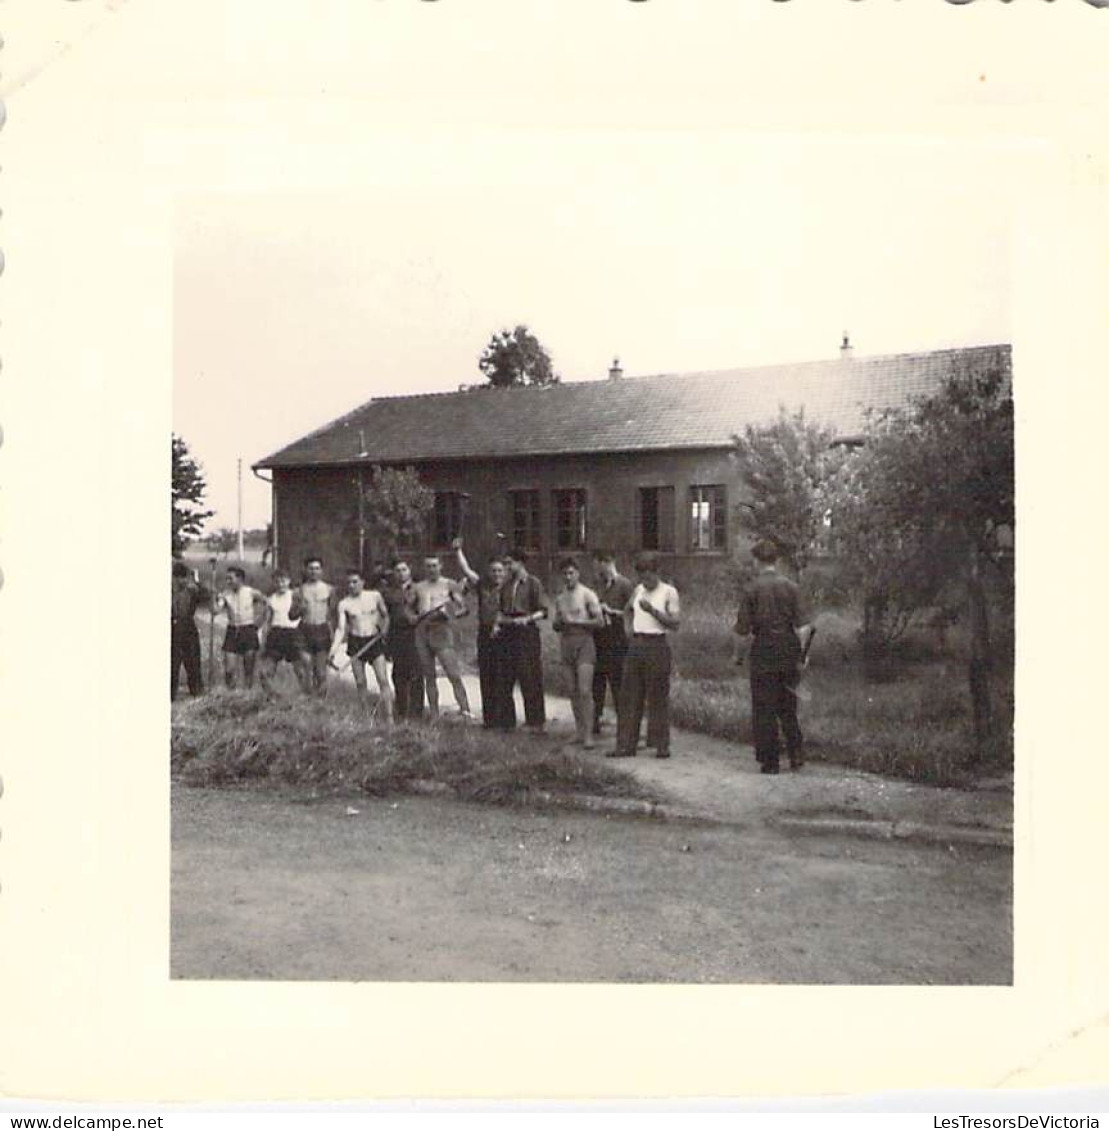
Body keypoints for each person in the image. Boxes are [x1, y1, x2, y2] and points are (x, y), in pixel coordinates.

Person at [733, 539, 811, 774]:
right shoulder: (791, 587)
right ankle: (796, 755)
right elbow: (803, 627)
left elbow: (742, 631)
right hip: (788, 649)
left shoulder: (751, 590)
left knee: (764, 707)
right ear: (776, 561)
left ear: (756, 561)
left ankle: (770, 762)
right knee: (788, 705)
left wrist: (738, 657)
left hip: (764, 650)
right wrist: (803, 655)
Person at [610, 552, 680, 759]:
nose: (645, 580)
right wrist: (628, 630)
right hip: (637, 644)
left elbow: (675, 623)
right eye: (641, 576)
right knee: (630, 696)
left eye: (649, 576)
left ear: (657, 573)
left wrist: (653, 612)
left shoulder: (669, 592)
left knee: (657, 696)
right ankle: (626, 745)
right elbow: (627, 610)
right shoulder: (638, 589)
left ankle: (661, 745)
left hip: (657, 644)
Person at [453, 539, 512, 729]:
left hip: (505, 633)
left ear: (505, 572)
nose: (496, 574)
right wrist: (458, 550)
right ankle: (489, 719)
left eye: (500, 571)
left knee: (503, 676)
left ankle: (505, 720)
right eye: (493, 570)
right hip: (485, 632)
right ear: (488, 572)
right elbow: (466, 569)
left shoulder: (510, 588)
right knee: (486, 674)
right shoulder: (482, 585)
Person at [552, 556, 606, 749]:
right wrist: (559, 622)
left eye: (571, 573)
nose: (568, 577)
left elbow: (600, 622)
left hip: (585, 643)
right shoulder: (560, 597)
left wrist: (575, 622)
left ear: (578, 573)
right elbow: (556, 624)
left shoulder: (587, 594)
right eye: (564, 574)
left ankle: (589, 734)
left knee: (584, 690)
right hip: (566, 643)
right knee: (572, 691)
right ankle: (580, 730)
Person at [412, 554, 473, 721]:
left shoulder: (449, 584)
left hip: (441, 630)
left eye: (434, 566)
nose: (432, 569)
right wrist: (412, 617)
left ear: (441, 566)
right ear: (424, 568)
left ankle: (465, 711)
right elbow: (408, 609)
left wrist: (451, 612)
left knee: (453, 673)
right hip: (422, 630)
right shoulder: (418, 587)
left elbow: (463, 608)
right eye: (428, 566)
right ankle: (434, 714)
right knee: (429, 674)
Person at [332, 567, 394, 721]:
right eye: (349, 583)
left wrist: (384, 629)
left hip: (374, 641)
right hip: (356, 642)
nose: (352, 585)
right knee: (360, 682)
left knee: (382, 679)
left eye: (355, 582)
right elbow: (341, 629)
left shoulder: (374, 596)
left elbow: (386, 616)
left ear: (362, 582)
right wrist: (333, 651)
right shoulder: (344, 603)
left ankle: (389, 717)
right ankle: (366, 716)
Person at [499, 548, 548, 732]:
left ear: (520, 563)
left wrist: (527, 619)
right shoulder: (506, 585)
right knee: (505, 677)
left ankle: (536, 722)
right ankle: (507, 722)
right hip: (508, 631)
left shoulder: (533, 583)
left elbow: (543, 610)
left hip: (526, 633)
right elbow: (502, 608)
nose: (507, 566)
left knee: (530, 677)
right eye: (505, 563)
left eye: (509, 563)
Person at [590, 550, 635, 736]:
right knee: (597, 681)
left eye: (599, 565)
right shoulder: (598, 585)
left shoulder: (625, 585)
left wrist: (612, 611)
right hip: (599, 639)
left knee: (618, 682)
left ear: (608, 562)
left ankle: (625, 724)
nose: (597, 570)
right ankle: (595, 720)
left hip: (618, 641)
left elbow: (632, 612)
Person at [383, 559, 424, 721]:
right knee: (398, 674)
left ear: (410, 570)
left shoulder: (419, 589)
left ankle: (416, 714)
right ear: (394, 573)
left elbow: (425, 609)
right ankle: (402, 711)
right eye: (398, 570)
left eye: (404, 569)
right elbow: (385, 615)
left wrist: (416, 617)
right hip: (396, 635)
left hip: (415, 634)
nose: (401, 573)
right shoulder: (389, 592)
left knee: (416, 673)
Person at [259, 568, 309, 694]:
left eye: (283, 581)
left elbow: (304, 615)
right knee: (265, 672)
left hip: (293, 634)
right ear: (274, 583)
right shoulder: (271, 599)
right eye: (277, 581)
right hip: (276, 634)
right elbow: (267, 621)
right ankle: (272, 697)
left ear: (288, 581)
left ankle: (307, 697)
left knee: (301, 670)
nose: (280, 584)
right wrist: (263, 639)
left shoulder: (295, 595)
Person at [217, 565, 265, 689]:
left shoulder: (251, 592)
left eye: (230, 579)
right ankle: (229, 694)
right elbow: (215, 610)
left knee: (248, 667)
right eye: (226, 579)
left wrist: (260, 620)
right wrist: (214, 597)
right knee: (229, 669)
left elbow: (267, 604)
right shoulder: (225, 594)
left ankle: (247, 694)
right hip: (232, 631)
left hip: (248, 630)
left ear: (240, 579)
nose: (228, 582)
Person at [296, 555, 335, 696]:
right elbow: (291, 615)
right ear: (306, 570)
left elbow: (333, 615)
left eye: (317, 568)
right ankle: (308, 696)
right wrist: (299, 609)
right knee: (306, 666)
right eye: (311, 568)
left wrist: (334, 637)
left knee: (321, 671)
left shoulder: (329, 589)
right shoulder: (299, 590)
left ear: (322, 571)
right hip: (305, 629)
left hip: (322, 630)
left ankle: (320, 701)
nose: (314, 571)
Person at [171, 560, 205, 699]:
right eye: (179, 578)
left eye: (184, 578)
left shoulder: (192, 590)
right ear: (174, 578)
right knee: (172, 661)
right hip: (172, 626)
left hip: (188, 625)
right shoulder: (169, 590)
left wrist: (197, 581)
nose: (182, 581)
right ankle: (170, 693)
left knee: (192, 659)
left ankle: (196, 690)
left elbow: (206, 596)